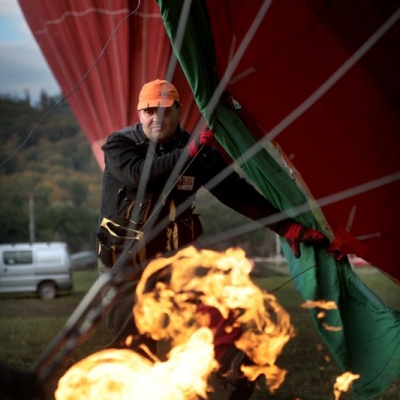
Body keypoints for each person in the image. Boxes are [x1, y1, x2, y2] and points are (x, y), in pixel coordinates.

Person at [96, 79, 328, 398]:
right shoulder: (120, 145)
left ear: (178, 111)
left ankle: (233, 369)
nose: (156, 117)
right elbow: (141, 175)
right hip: (124, 262)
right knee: (134, 335)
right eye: (149, 110)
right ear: (139, 112)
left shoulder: (199, 152)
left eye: (165, 110)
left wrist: (284, 226)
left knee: (213, 308)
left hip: (173, 258)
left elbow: (237, 193)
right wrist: (190, 151)